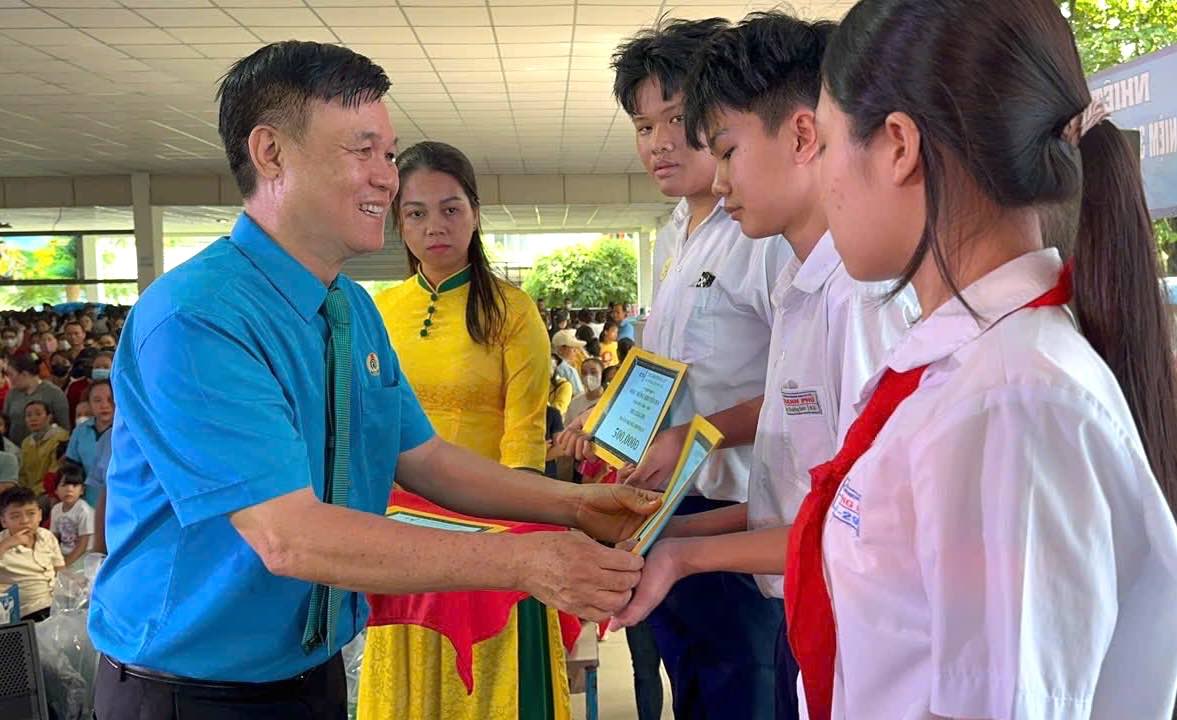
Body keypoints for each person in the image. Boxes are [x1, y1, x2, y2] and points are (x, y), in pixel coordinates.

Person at [89, 41, 657, 720]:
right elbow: (288, 536)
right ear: (270, 153)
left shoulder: (347, 305)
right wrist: (524, 562)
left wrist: (568, 507)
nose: (387, 180)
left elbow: (422, 457)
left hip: (307, 670)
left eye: (388, 154)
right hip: (191, 691)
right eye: (361, 151)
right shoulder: (198, 318)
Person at [785, 1, 1177, 718]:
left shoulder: (1007, 399)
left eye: (825, 142)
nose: (819, 179)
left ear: (898, 145)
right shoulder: (974, 370)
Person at [610, 15, 917, 720]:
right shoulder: (799, 285)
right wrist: (670, 534)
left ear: (804, 136)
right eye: (643, 125)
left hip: (839, 621)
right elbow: (806, 496)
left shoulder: (860, 297)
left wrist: (683, 552)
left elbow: (858, 525)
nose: (718, 179)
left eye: (722, 147)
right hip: (782, 581)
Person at [577, 17, 793, 719]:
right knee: (693, 689)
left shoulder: (763, 235)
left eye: (677, 118)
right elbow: (667, 369)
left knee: (744, 692)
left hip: (741, 518)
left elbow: (804, 392)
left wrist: (691, 435)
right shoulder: (678, 232)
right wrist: (606, 411)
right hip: (669, 507)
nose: (659, 143)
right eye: (643, 127)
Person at [365, 140, 560, 719]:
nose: (434, 227)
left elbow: (524, 443)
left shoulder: (513, 311)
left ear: (474, 213)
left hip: (494, 535)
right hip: (398, 532)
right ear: (399, 222)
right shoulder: (377, 308)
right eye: (416, 213)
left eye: (450, 209)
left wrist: (499, 547)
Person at [0, 485, 64, 622]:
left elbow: (60, 570)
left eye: (31, 513)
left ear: (40, 515)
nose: (25, 521)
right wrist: (7, 544)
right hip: (26, 614)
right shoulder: (2, 543)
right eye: (15, 516)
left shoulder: (47, 536)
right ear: (4, 521)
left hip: (56, 606)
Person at [65, 379, 113, 507]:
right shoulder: (80, 431)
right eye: (97, 400)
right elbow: (72, 467)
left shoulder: (128, 431)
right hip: (86, 502)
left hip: (121, 501)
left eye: (110, 399)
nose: (104, 405)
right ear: (89, 404)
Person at [4, 353, 70, 444]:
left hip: (45, 451)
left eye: (11, 375)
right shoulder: (12, 394)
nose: (9, 379)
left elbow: (64, 428)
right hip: (14, 450)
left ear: (24, 374)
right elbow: (5, 423)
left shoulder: (54, 394)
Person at [19, 400, 69, 500]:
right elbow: (23, 473)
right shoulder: (26, 442)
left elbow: (55, 472)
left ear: (49, 417)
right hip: (29, 492)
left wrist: (33, 492)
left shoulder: (61, 437)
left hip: (50, 491)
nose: (33, 418)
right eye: (28, 415)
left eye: (38, 414)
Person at [50, 463, 93, 568]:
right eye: (64, 485)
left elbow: (83, 543)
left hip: (84, 553)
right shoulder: (56, 509)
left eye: (74, 485)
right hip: (63, 551)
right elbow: (53, 537)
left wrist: (66, 563)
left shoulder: (84, 510)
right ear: (56, 490)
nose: (69, 489)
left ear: (82, 490)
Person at [566, 357, 605, 424]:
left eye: (593, 372)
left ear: (602, 375)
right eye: (584, 373)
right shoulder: (575, 401)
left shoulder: (607, 402)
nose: (588, 376)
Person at [551, 328, 587, 394]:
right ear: (561, 348)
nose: (576, 350)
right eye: (573, 347)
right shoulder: (568, 370)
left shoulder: (548, 362)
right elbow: (579, 395)